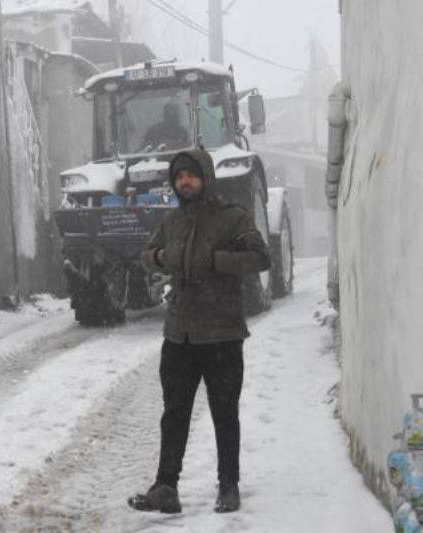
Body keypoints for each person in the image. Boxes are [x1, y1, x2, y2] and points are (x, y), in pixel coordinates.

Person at [127, 149, 271, 514]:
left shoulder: (232, 217)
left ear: (204, 176)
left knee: (224, 412)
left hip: (221, 333)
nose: (184, 182)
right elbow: (147, 254)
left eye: (190, 176)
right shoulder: (173, 220)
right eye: (178, 178)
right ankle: (165, 487)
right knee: (174, 412)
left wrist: (217, 261)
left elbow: (260, 257)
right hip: (179, 334)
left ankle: (228, 485)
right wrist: (159, 259)